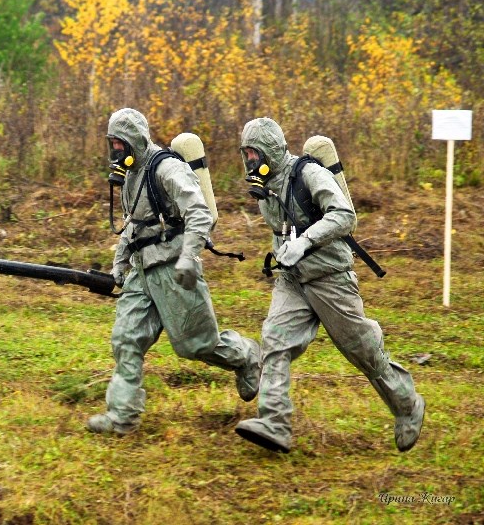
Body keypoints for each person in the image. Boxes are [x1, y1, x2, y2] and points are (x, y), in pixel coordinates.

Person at [236, 116, 424, 453]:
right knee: (275, 341)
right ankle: (274, 422)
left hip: (330, 279)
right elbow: (280, 226)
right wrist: (284, 253)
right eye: (246, 154)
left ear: (271, 150)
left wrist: (305, 242)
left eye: (254, 153)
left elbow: (344, 215)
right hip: (293, 279)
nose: (250, 160)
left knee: (362, 351)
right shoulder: (264, 188)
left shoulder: (309, 174)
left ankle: (407, 405)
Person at [87, 108, 261, 435]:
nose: (116, 151)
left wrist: (187, 258)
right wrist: (120, 261)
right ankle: (122, 416)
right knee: (126, 338)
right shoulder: (130, 175)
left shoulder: (166, 168)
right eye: (112, 144)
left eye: (120, 144)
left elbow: (199, 214)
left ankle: (247, 355)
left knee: (195, 345)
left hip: (172, 265)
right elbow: (134, 224)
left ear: (135, 140)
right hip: (142, 269)